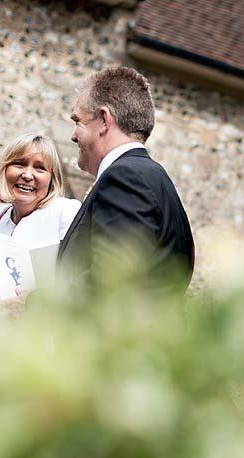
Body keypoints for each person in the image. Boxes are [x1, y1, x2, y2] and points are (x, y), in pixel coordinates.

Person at [58, 66, 195, 291]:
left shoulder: (125, 178)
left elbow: (110, 280)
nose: (73, 136)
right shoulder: (150, 176)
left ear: (104, 120)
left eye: (78, 121)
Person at [0, 133, 81, 293]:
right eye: (19, 164)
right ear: (4, 170)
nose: (27, 175)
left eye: (40, 168)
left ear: (51, 178)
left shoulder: (66, 213)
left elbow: (77, 280)